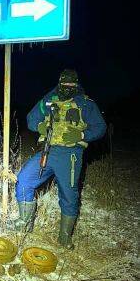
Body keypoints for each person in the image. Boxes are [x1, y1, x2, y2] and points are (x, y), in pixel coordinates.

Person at [12, 69, 106, 249]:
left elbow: (100, 127)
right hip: (48, 151)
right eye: (65, 84)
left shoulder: (86, 103)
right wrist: (40, 126)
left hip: (70, 155)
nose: (68, 87)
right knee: (24, 179)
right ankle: (25, 223)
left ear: (77, 84)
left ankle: (64, 238)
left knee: (69, 195)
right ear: (60, 82)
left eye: (72, 84)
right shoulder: (49, 99)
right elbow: (31, 119)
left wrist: (81, 134)